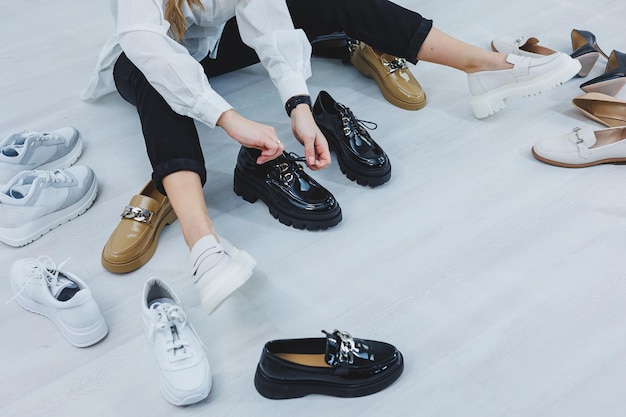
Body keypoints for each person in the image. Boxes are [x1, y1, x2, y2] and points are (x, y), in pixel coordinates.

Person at [82, 0, 580, 314]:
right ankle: (203, 248)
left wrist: (298, 106)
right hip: (145, 62)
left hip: (218, 46)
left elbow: (269, 22)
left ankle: (486, 66)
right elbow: (151, 49)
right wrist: (228, 117)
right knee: (156, 83)